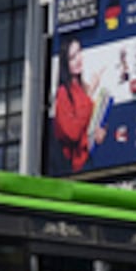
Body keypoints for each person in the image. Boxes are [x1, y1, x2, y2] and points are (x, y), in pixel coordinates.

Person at [54, 36, 106, 173]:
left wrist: (99, 132)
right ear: (65, 63)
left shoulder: (82, 88)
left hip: (91, 159)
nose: (78, 59)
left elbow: (90, 124)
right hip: (75, 168)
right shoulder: (63, 93)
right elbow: (73, 133)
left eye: (79, 52)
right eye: (72, 57)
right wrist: (90, 94)